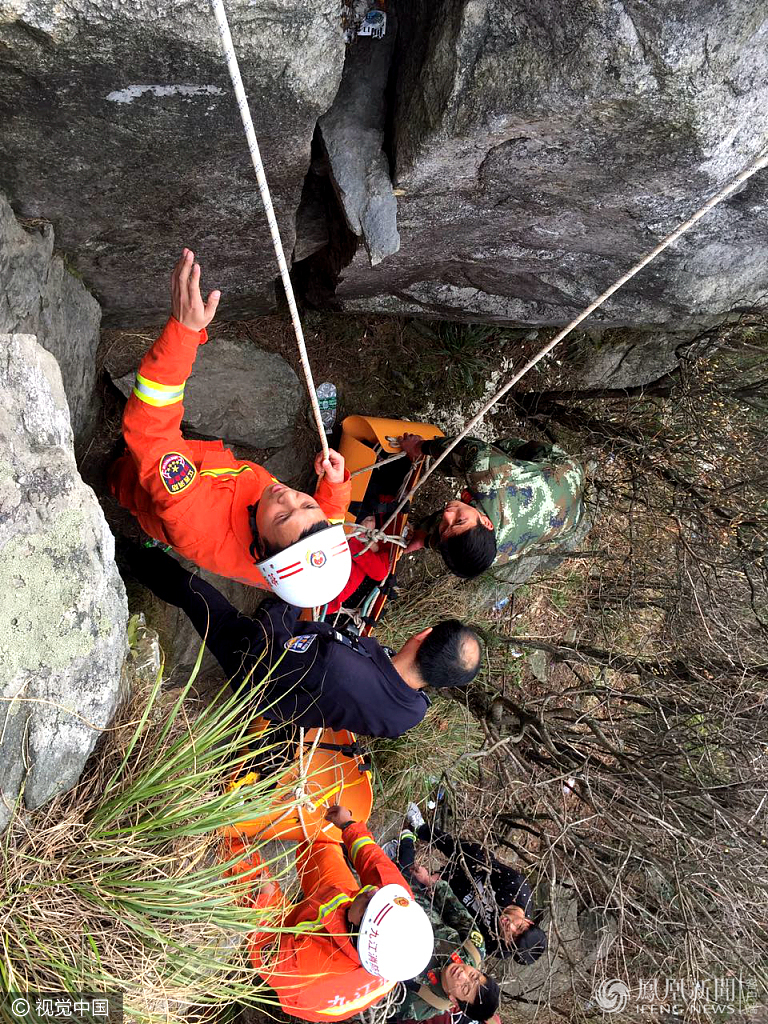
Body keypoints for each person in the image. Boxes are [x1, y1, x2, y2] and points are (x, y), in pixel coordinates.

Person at [109, 248, 352, 607]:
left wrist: (183, 334)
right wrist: (333, 487)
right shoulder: (288, 558)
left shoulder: (198, 522)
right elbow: (327, 522)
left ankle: (113, 474)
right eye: (307, 504)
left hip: (149, 489)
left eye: (283, 515)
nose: (288, 496)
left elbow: (151, 431)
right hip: (209, 474)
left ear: (261, 548)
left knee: (127, 472)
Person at [122, 543, 483, 739]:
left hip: (260, 675)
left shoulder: (337, 664)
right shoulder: (411, 714)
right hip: (294, 700)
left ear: (424, 635)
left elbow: (268, 649)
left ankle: (133, 555)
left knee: (199, 599)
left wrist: (287, 601)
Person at [227, 804, 434, 1022]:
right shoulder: (399, 911)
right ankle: (301, 811)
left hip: (303, 952)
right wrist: (348, 825)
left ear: (357, 925)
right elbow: (374, 863)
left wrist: (262, 900)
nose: (372, 890)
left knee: (250, 877)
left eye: (370, 901)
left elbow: (262, 945)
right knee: (321, 837)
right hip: (336, 907)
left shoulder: (300, 971)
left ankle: (228, 826)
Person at [399, 433, 586, 580]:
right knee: (504, 448)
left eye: (445, 527)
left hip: (569, 521)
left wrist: (424, 539)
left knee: (460, 523)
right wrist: (421, 447)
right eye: (459, 521)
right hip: (567, 470)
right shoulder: (489, 476)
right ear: (487, 523)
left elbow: (456, 543)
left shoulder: (495, 554)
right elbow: (471, 450)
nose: (447, 515)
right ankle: (438, 460)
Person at [387, 805, 547, 966]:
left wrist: (436, 888)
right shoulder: (516, 887)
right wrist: (441, 877)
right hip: (470, 870)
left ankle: (402, 849)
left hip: (454, 901)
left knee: (410, 892)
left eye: (512, 938)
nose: (510, 927)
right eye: (519, 927)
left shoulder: (497, 947)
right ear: (529, 922)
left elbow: (462, 923)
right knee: (471, 852)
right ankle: (422, 829)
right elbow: (482, 863)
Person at [380, 828, 500, 1023]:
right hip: (407, 897)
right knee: (394, 866)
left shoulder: (423, 1004)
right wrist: (429, 882)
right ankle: (402, 847)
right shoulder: (473, 949)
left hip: (371, 931)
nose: (463, 974)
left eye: (465, 988)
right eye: (473, 975)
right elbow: (454, 910)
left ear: (454, 1000)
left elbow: (375, 992)